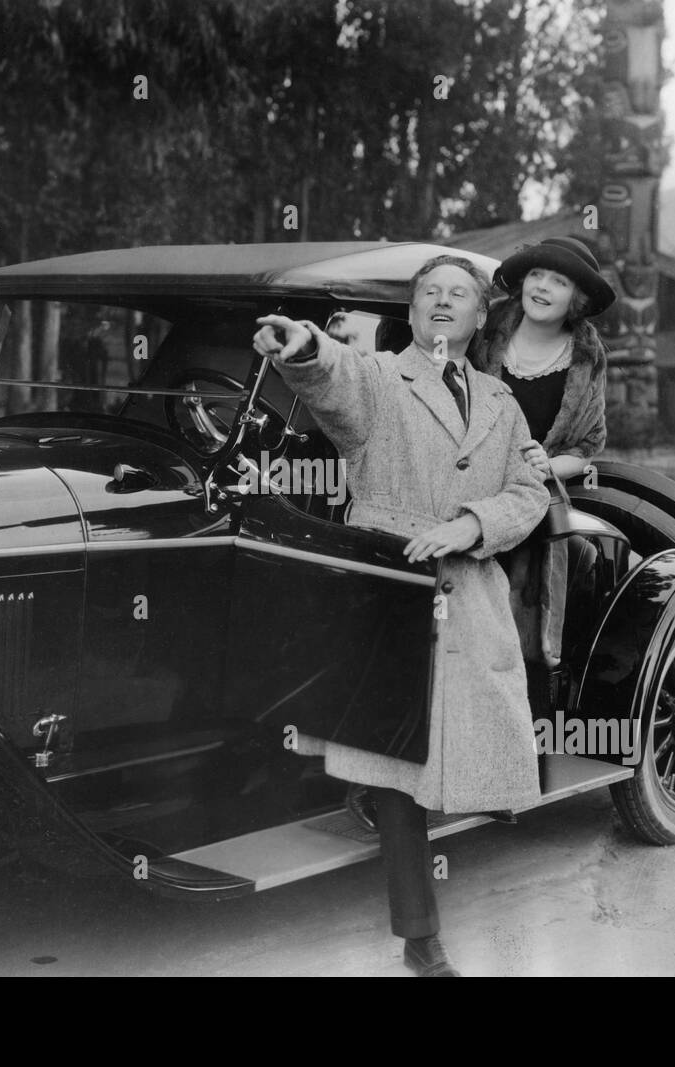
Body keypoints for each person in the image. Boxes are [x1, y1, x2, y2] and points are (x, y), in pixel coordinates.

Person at [252, 255, 549, 977]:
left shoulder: (501, 402)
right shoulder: (383, 377)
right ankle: (421, 938)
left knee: (444, 757)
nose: (442, 303)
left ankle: (373, 808)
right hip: (389, 589)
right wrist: (303, 347)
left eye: (458, 295)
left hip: (469, 594)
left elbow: (532, 487)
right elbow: (338, 380)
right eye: (428, 294)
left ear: (481, 318)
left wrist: (472, 524)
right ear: (411, 313)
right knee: (397, 761)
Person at [469, 237, 616, 668]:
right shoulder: (487, 326)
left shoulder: (587, 355)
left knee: (511, 635)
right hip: (463, 480)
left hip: (529, 502)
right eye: (536, 274)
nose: (542, 287)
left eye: (559, 281)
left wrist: (547, 464)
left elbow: (586, 448)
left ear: (577, 297)